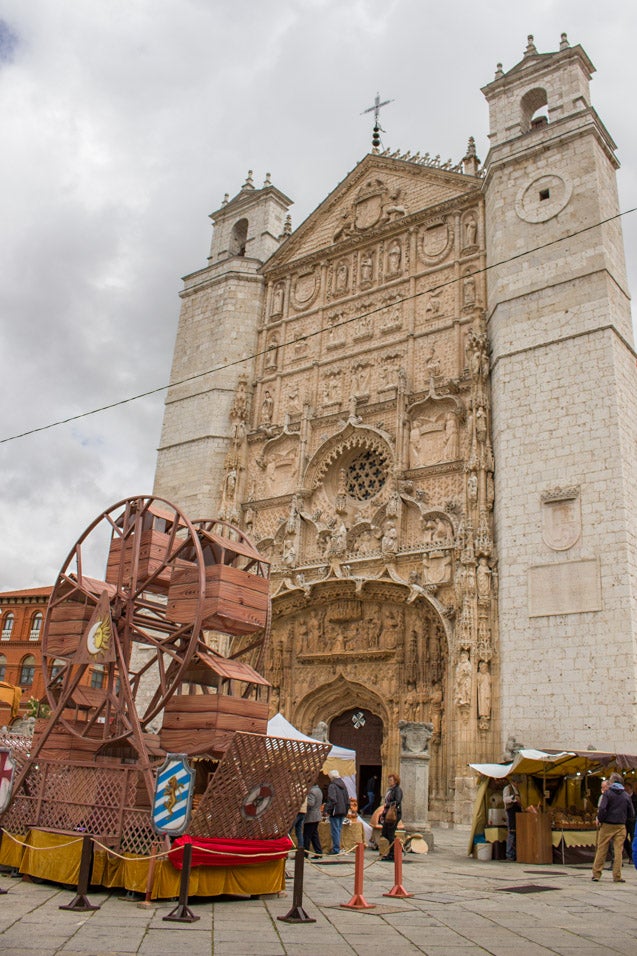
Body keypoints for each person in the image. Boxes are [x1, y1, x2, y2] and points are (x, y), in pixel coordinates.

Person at [592, 772, 635, 882]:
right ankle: (617, 876)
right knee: (618, 851)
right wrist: (624, 819)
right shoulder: (625, 795)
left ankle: (596, 874)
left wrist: (600, 819)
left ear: (611, 782)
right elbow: (632, 813)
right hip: (620, 825)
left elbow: (602, 808)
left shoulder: (608, 794)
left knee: (602, 848)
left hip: (607, 824)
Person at [379, 772, 403, 862]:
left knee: (389, 833)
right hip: (388, 814)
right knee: (385, 833)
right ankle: (395, 849)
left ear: (395, 781)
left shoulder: (397, 790)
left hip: (394, 815)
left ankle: (392, 854)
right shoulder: (391, 789)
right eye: (388, 779)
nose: (389, 781)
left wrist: (388, 804)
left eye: (391, 780)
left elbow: (398, 801)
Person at [325, 769, 349, 854]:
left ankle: (336, 849)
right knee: (338, 829)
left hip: (335, 811)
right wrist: (346, 810)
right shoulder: (343, 785)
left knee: (335, 830)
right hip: (342, 810)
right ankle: (337, 847)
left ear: (332, 777)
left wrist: (328, 810)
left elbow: (332, 799)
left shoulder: (332, 786)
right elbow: (347, 799)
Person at [503, 776, 522, 861]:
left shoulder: (517, 790)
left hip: (517, 812)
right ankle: (509, 854)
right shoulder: (508, 788)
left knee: (516, 833)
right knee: (511, 832)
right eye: (517, 783)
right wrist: (513, 798)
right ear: (514, 782)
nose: (518, 785)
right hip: (510, 812)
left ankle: (515, 853)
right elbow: (505, 800)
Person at [303, 781, 323, 858]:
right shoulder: (318, 790)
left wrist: (304, 801)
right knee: (314, 835)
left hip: (311, 815)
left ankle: (305, 853)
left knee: (307, 835)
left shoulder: (311, 791)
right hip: (317, 814)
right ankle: (318, 851)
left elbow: (311, 803)